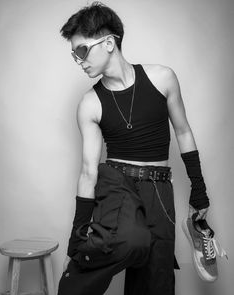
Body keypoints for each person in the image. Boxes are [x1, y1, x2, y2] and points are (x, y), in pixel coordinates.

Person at [57, 2, 210, 295]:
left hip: (159, 190)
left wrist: (199, 188)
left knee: (157, 278)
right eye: (74, 53)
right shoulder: (90, 104)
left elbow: (183, 132)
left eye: (82, 50)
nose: (79, 61)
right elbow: (89, 171)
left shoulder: (162, 78)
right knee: (131, 240)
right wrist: (75, 242)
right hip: (117, 186)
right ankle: (74, 277)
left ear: (110, 42)